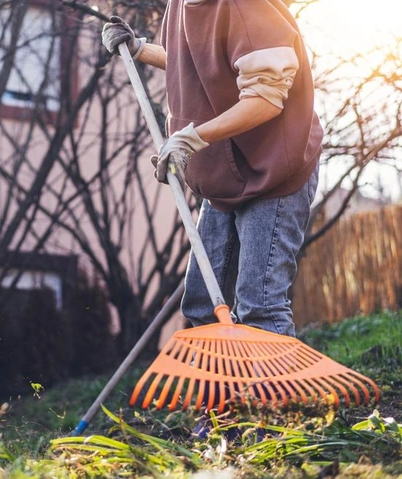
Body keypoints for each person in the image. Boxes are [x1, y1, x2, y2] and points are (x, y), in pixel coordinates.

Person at [101, 1, 322, 340]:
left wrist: (191, 139)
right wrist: (139, 49)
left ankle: (279, 392)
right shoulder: (182, 5)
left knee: (259, 307)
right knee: (202, 307)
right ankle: (222, 391)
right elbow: (195, 63)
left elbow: (266, 97)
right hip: (224, 174)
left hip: (274, 167)